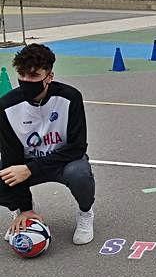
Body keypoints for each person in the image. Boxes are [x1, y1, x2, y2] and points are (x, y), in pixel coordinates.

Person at [0, 44, 95, 245]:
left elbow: (77, 147)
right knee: (5, 174)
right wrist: (25, 208)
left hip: (63, 162)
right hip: (25, 164)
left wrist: (30, 168)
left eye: (34, 76)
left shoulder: (70, 98)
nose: (26, 81)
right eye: (22, 75)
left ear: (49, 77)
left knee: (79, 173)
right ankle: (22, 211)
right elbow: (11, 156)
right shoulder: (7, 106)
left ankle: (86, 213)